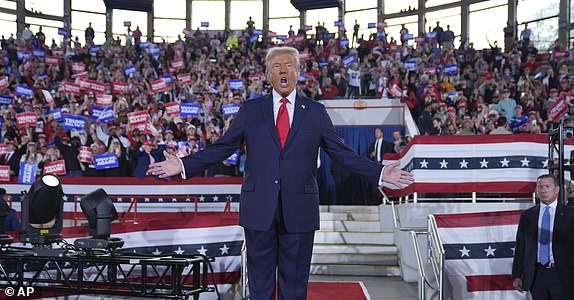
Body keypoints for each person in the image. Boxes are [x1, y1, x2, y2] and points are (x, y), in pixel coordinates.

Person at [149, 46, 414, 299]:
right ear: (268, 75)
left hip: (299, 210)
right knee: (260, 286)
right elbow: (223, 147)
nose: (283, 70)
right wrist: (184, 164)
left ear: (298, 73)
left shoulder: (315, 112)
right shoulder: (251, 110)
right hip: (259, 209)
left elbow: (341, 153)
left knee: (294, 287)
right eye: (276, 66)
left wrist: (379, 172)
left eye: (289, 65)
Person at [512, 174, 574, 300]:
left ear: (556, 189)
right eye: (540, 187)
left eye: (547, 186)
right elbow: (521, 247)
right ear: (536, 190)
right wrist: (516, 275)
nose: (543, 190)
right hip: (536, 274)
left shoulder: (570, 214)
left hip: (562, 273)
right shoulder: (527, 216)